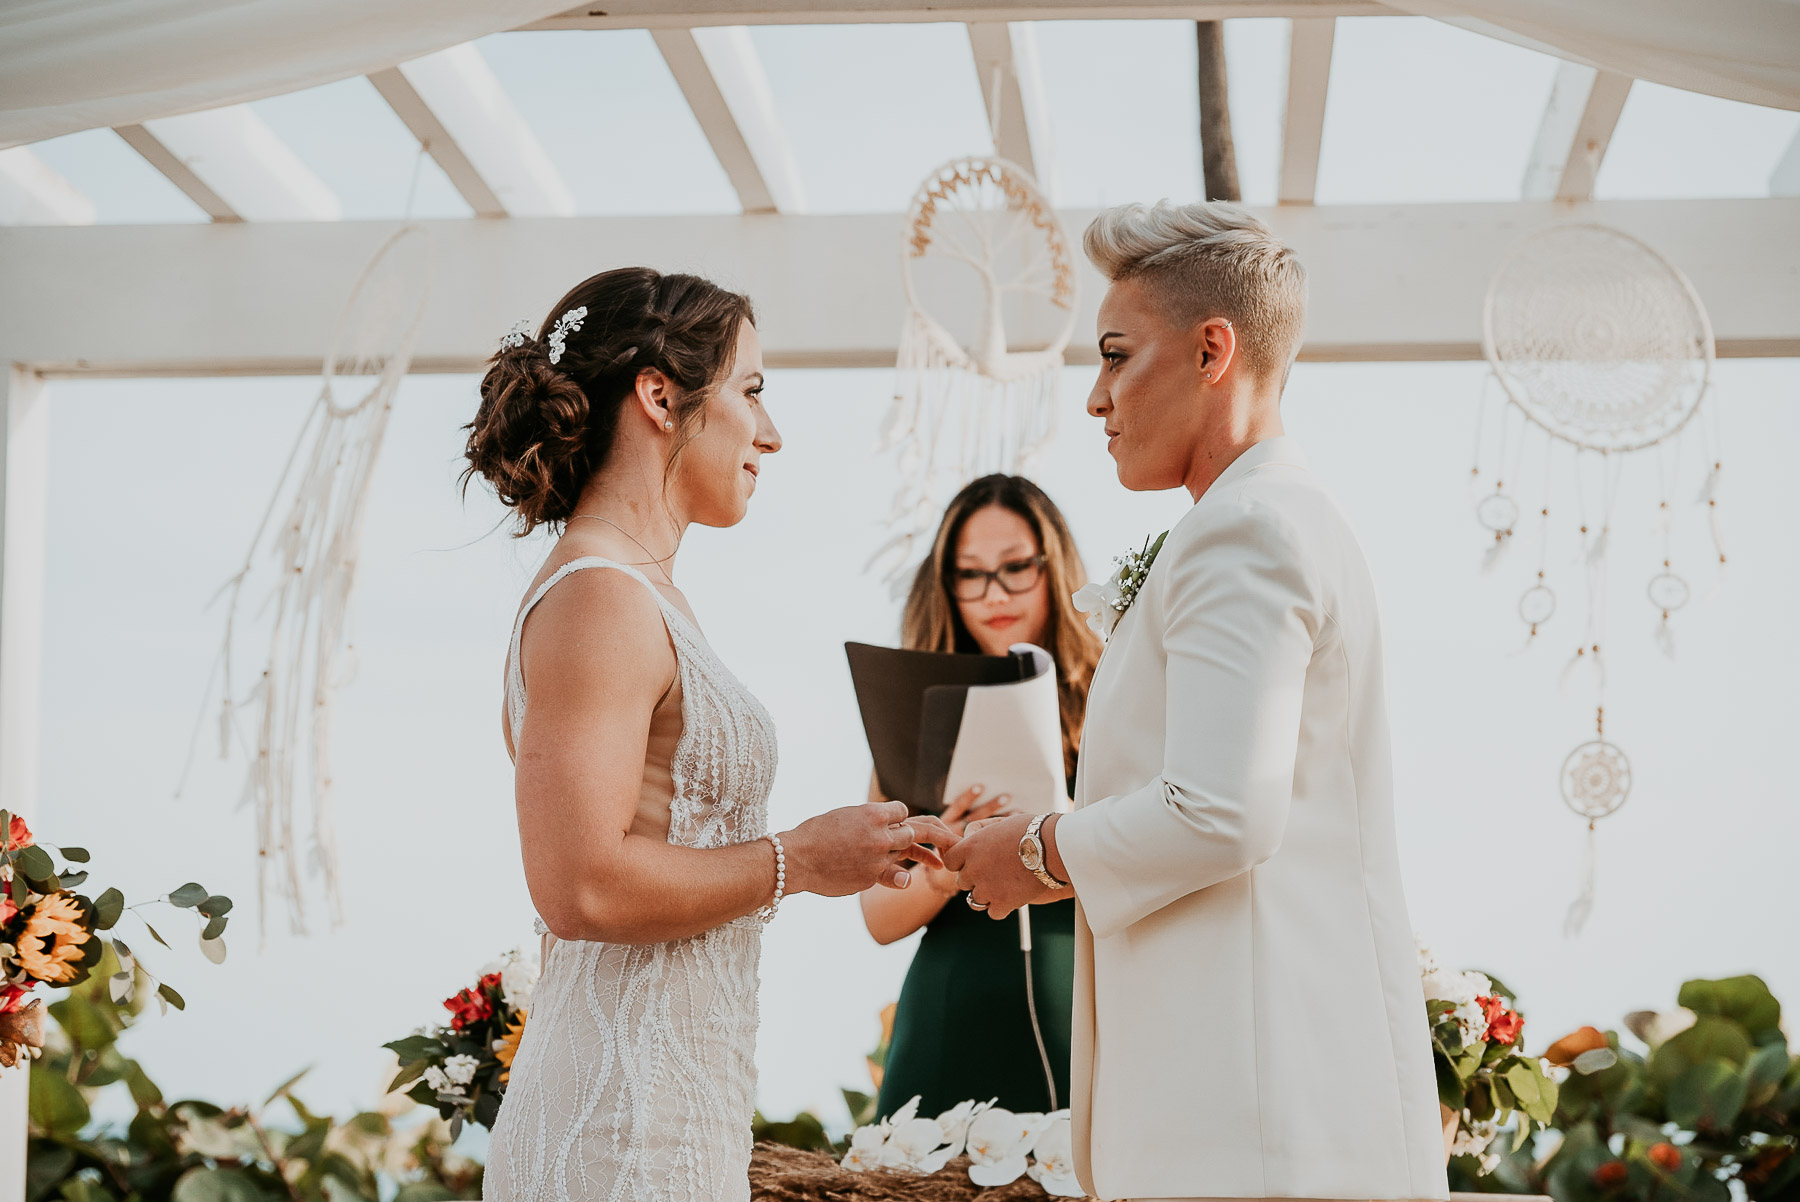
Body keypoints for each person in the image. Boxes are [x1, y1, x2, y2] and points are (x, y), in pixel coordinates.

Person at [945, 203, 1448, 1202]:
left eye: (1116, 356)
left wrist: (1038, 850)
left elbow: (1221, 810)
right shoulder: (1272, 518)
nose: (1095, 398)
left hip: (1249, 1123)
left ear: (1213, 349)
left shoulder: (1246, 531)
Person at [465, 267, 954, 1202]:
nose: (771, 432)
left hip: (677, 1116)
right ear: (659, 395)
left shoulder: (642, 596)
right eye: (753, 389)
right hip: (618, 1135)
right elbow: (579, 885)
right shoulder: (599, 598)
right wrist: (801, 861)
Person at [860, 474, 1102, 1120]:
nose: (993, 594)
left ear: (1055, 565)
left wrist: (1061, 840)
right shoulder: (916, 710)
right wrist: (941, 875)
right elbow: (877, 916)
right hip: (949, 1019)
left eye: (1016, 568)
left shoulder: (1119, 689)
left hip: (1090, 1014)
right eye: (970, 575)